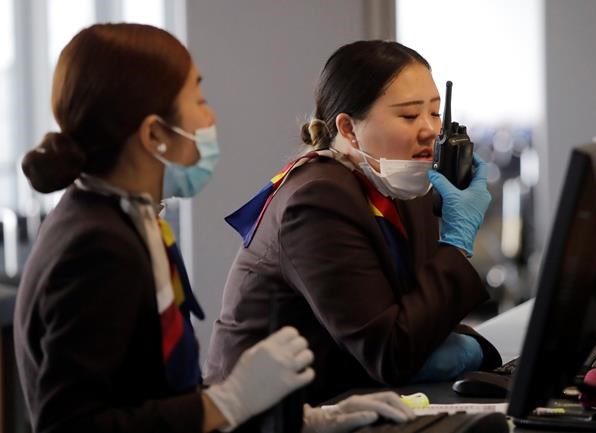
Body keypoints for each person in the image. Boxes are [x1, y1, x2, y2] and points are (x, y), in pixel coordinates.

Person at [14, 24, 415, 433]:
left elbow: (154, 395)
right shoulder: (97, 245)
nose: (211, 116)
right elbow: (69, 424)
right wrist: (228, 402)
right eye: (199, 100)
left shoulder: (123, 218)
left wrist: (297, 420)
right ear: (155, 134)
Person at [206, 40, 502, 404]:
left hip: (350, 388)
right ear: (347, 129)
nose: (429, 131)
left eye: (435, 113)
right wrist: (456, 244)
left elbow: (417, 318)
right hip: (269, 412)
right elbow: (392, 352)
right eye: (409, 116)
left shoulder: (403, 182)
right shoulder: (315, 200)